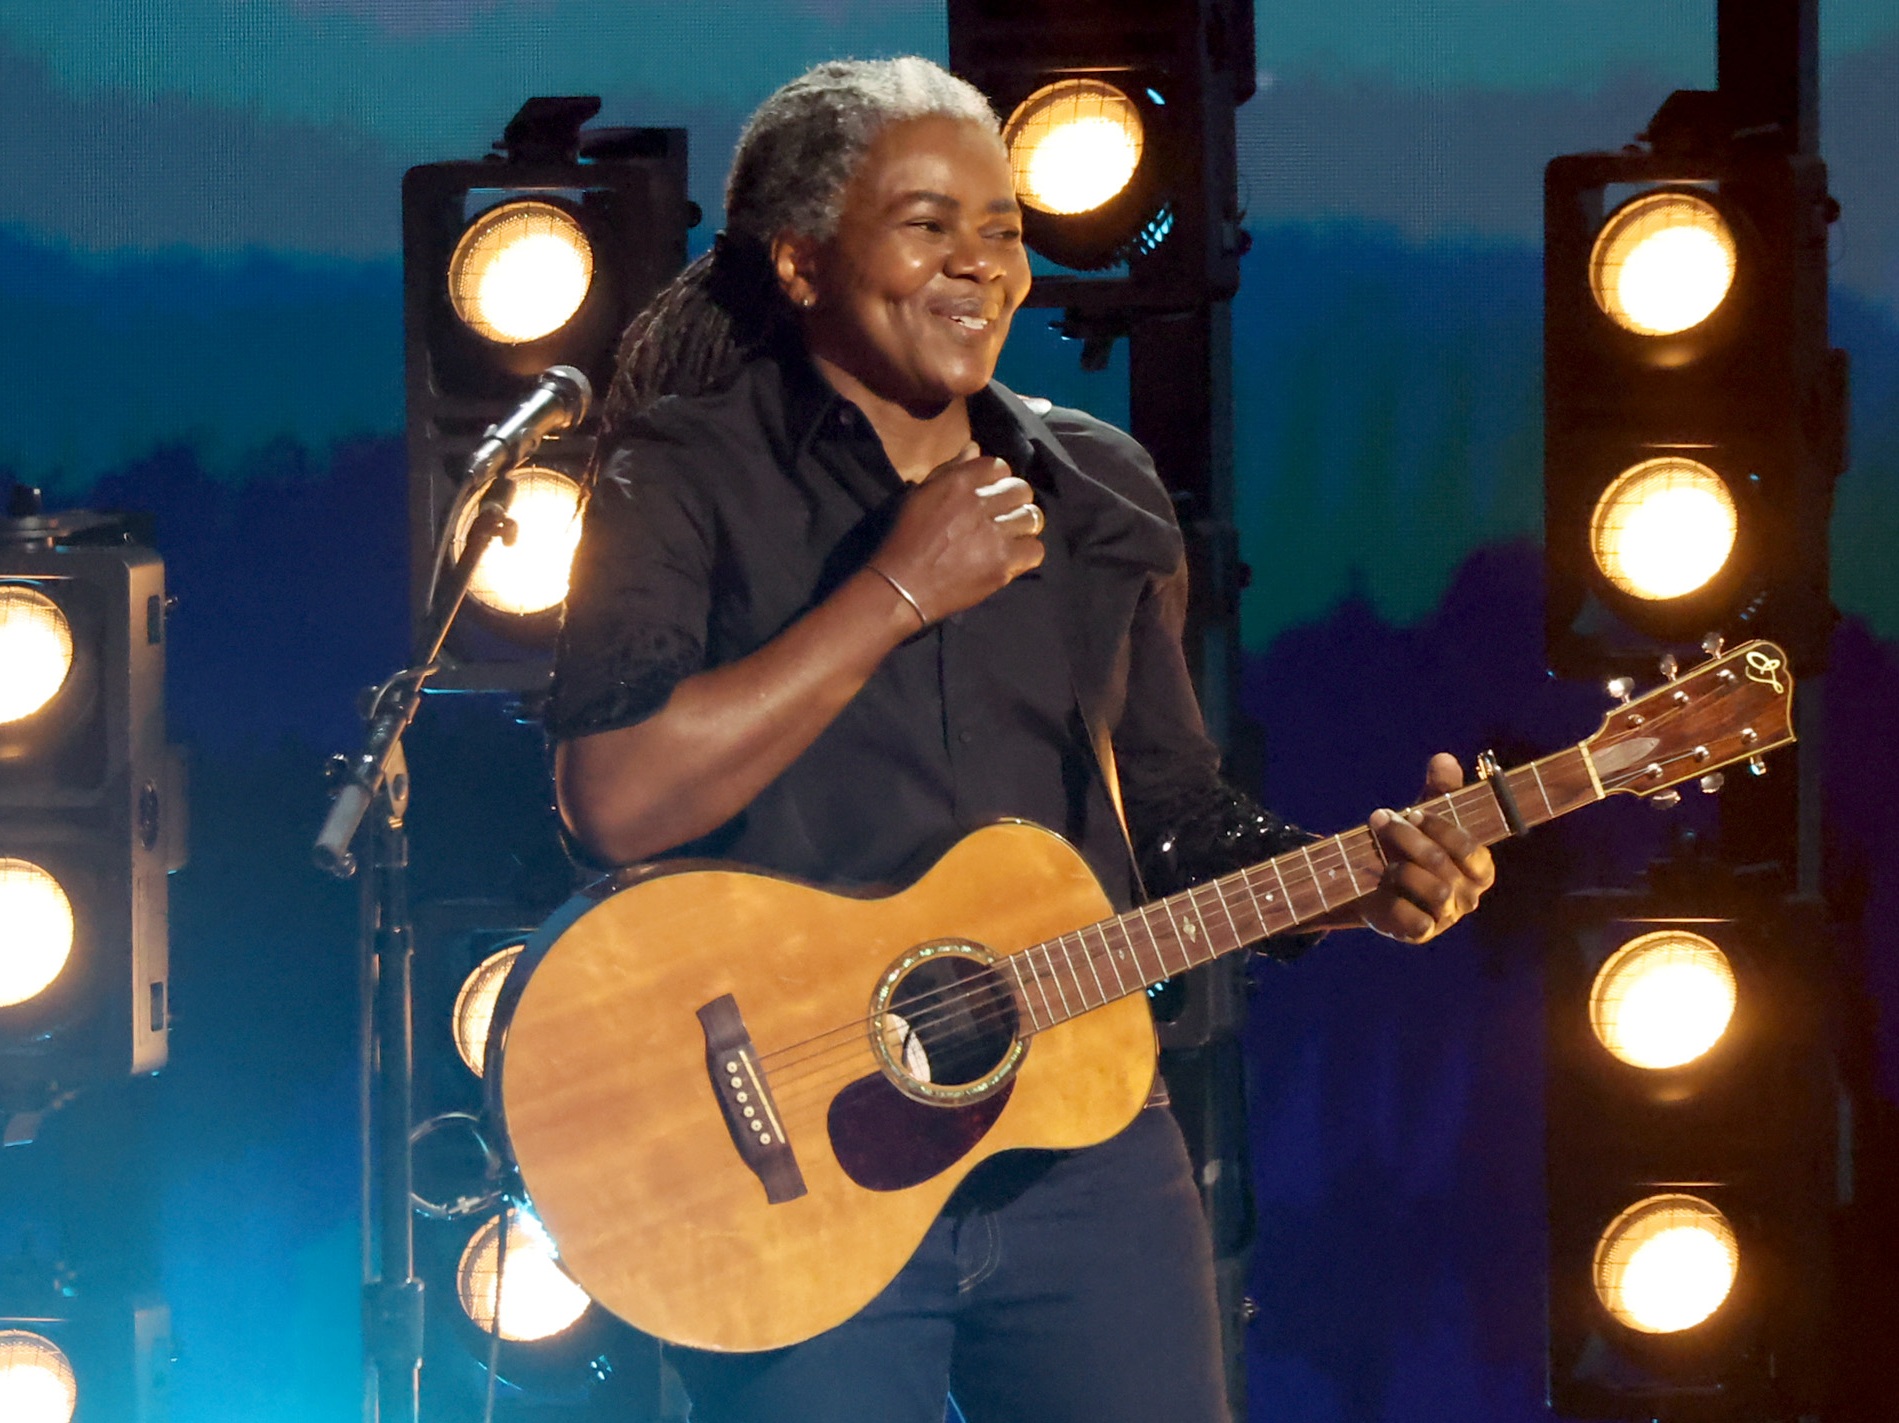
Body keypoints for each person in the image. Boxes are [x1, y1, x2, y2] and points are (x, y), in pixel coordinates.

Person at [545, 56, 1494, 1423]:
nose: (980, 264)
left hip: (1081, 1149)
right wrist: (898, 592)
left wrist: (1355, 886)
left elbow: (1172, 814)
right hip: (789, 1156)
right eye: (928, 224)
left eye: (1002, 231)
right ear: (803, 261)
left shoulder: (1098, 493)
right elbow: (614, 795)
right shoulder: (679, 473)